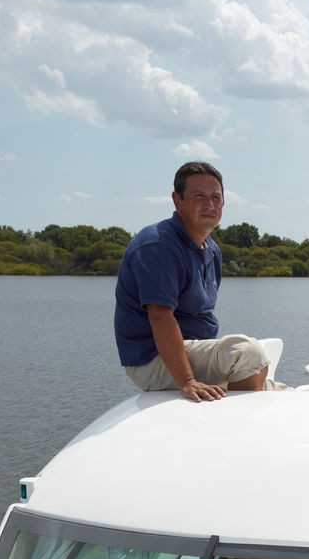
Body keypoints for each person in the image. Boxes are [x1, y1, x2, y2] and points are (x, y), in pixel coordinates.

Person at [114, 162, 272, 402]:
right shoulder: (157, 245)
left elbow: (201, 316)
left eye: (216, 197)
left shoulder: (211, 249)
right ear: (177, 200)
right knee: (248, 353)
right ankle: (232, 420)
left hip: (190, 352)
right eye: (199, 196)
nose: (210, 205)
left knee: (280, 393)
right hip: (153, 360)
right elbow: (160, 316)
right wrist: (187, 381)